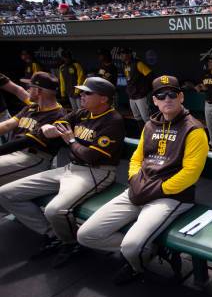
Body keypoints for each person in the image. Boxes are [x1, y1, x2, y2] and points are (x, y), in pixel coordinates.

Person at [78, 75, 208, 285]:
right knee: (86, 234)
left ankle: (135, 266)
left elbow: (190, 174)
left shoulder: (194, 129)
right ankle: (152, 249)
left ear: (181, 97)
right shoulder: (150, 125)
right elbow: (137, 158)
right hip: (140, 188)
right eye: (161, 95)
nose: (167, 98)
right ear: (154, 100)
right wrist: (133, 179)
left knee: (131, 246)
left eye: (172, 93)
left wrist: (157, 189)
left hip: (172, 196)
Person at [0, 77, 125, 268]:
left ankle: (71, 243)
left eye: (87, 93)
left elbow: (91, 157)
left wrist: (72, 140)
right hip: (70, 168)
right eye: (81, 92)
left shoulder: (113, 121)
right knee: (6, 194)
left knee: (55, 209)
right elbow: (59, 123)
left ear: (103, 99)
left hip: (96, 172)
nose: (81, 95)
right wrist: (49, 127)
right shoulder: (82, 113)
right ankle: (54, 234)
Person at [0, 72, 65, 184]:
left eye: (30, 87)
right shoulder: (31, 107)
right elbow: (7, 125)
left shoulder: (58, 115)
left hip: (33, 158)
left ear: (39, 91)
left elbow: (25, 142)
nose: (27, 90)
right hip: (14, 153)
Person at [121, 47, 153, 130]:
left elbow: (150, 75)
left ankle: (150, 134)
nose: (122, 56)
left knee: (146, 117)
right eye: (121, 54)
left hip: (140, 95)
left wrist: (145, 90)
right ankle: (141, 134)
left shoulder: (138, 64)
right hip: (132, 95)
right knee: (137, 117)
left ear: (129, 55)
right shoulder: (125, 65)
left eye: (124, 54)